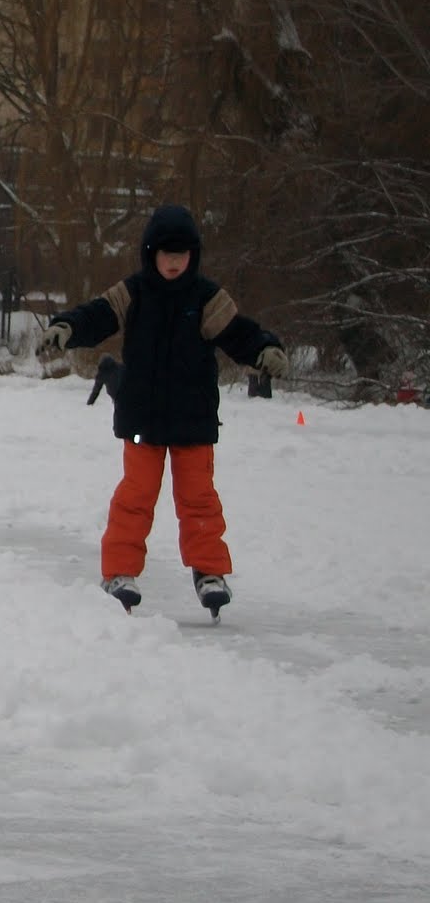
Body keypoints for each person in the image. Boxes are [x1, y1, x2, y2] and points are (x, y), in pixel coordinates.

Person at [38, 204, 288, 614]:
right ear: (151, 253)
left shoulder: (207, 298)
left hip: (193, 419)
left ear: (193, 255)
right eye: (166, 254)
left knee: (199, 498)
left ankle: (209, 573)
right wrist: (67, 326)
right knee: (136, 496)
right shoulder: (133, 293)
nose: (173, 263)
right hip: (144, 419)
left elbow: (239, 333)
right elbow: (97, 315)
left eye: (182, 254)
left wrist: (265, 348)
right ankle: (119, 571)